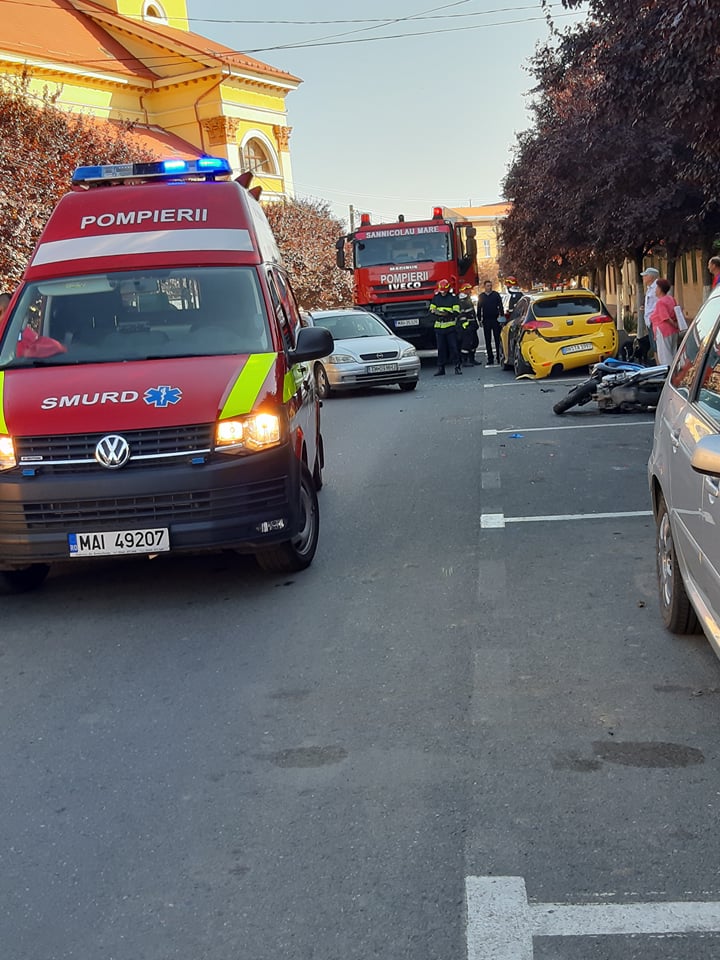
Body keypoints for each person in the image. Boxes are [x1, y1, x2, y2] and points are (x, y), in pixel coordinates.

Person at [429, 279, 461, 375]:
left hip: (450, 327)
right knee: (441, 349)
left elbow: (456, 311)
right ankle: (441, 368)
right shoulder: (436, 298)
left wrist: (446, 314)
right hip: (439, 328)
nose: (443, 292)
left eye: (444, 290)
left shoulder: (453, 298)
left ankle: (457, 366)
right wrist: (436, 313)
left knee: (454, 348)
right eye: (441, 290)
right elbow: (431, 310)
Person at [648, 278, 680, 365]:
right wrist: (676, 325)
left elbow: (665, 317)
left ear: (660, 289)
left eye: (657, 287)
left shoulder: (660, 302)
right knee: (673, 352)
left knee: (665, 355)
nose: (655, 290)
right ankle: (674, 369)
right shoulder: (671, 299)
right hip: (673, 331)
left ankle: (668, 371)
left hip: (663, 331)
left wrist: (674, 324)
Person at [477, 279, 504, 366]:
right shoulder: (481, 296)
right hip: (486, 320)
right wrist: (479, 319)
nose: (489, 287)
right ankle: (490, 358)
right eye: (488, 286)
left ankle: (499, 357)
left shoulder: (496, 295)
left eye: (490, 285)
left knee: (497, 339)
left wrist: (502, 317)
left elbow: (500, 306)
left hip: (495, 320)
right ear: (484, 287)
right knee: (487, 340)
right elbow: (479, 308)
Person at [457, 283, 479, 366]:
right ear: (464, 290)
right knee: (466, 343)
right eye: (468, 289)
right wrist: (465, 325)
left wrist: (475, 323)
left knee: (474, 342)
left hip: (472, 324)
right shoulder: (461, 301)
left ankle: (472, 359)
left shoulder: (468, 299)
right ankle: (464, 360)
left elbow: (472, 312)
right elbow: (461, 315)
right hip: (466, 326)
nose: (470, 291)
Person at [640, 266, 660, 338]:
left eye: (645, 276)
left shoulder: (656, 288)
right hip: (649, 321)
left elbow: (658, 303)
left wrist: (653, 318)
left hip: (654, 321)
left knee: (655, 343)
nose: (643, 278)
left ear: (651, 277)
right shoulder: (650, 288)